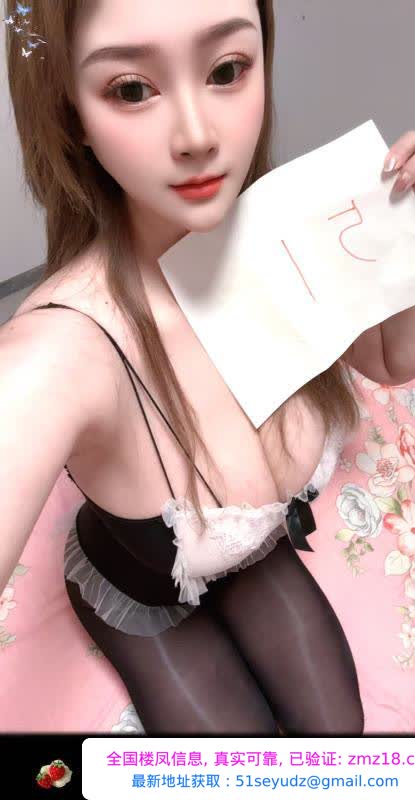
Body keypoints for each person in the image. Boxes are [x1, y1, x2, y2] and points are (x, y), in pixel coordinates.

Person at [1, 0, 367, 735]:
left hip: (246, 555)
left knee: (340, 738)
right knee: (241, 768)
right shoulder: (61, 351)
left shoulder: (287, 243)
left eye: (227, 70)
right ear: (72, 112)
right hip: (137, 583)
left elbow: (398, 359)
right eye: (133, 88)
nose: (198, 136)